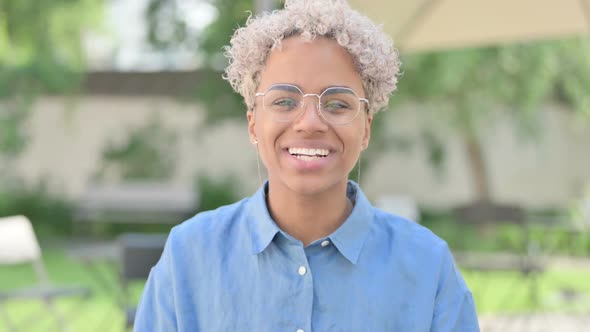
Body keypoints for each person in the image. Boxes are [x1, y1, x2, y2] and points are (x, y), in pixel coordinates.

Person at [134, 0, 480, 331]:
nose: (310, 122)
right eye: (285, 100)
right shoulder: (188, 257)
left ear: (366, 129)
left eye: (338, 104)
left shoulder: (427, 266)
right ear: (253, 124)